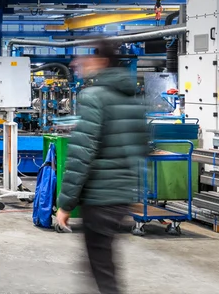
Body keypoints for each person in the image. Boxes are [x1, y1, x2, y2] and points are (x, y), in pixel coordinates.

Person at [53, 40, 149, 294]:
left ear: (102, 62)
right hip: (121, 197)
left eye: (85, 58)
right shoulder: (133, 100)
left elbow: (82, 153)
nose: (77, 63)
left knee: (101, 267)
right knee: (101, 261)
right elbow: (141, 148)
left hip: (99, 197)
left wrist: (66, 204)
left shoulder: (93, 96)